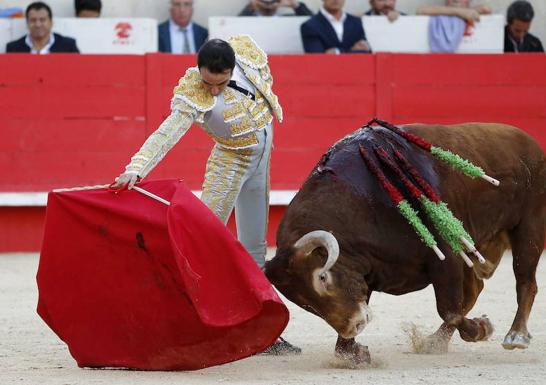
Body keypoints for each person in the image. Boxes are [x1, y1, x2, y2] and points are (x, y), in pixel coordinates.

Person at [112, 36, 300, 355]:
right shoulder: (192, 91)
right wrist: (138, 168)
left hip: (262, 157)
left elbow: (265, 89)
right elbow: (167, 132)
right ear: (199, 70)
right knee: (201, 243)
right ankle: (182, 320)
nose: (213, 90)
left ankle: (262, 331)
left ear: (232, 68)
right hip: (229, 163)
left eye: (220, 83)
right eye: (207, 82)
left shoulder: (247, 56)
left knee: (255, 246)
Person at [6, 2, 79, 54]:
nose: (38, 24)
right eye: (33, 20)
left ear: (51, 22)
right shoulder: (13, 48)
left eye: (42, 20)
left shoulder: (68, 46)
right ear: (27, 23)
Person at [300, 0, 371, 54]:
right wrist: (352, 50)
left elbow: (365, 50)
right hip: (325, 72)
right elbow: (317, 57)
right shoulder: (310, 26)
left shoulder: (356, 22)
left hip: (356, 70)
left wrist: (337, 52)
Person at [416, 0, 491, 24]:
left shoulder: (472, 11)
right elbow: (420, 11)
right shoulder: (437, 10)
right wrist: (459, 12)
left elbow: (486, 9)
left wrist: (465, 12)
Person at [238, 0, 313, 16]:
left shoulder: (287, 19)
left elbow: (312, 23)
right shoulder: (248, 17)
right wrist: (251, 7)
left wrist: (295, 5)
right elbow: (237, 25)